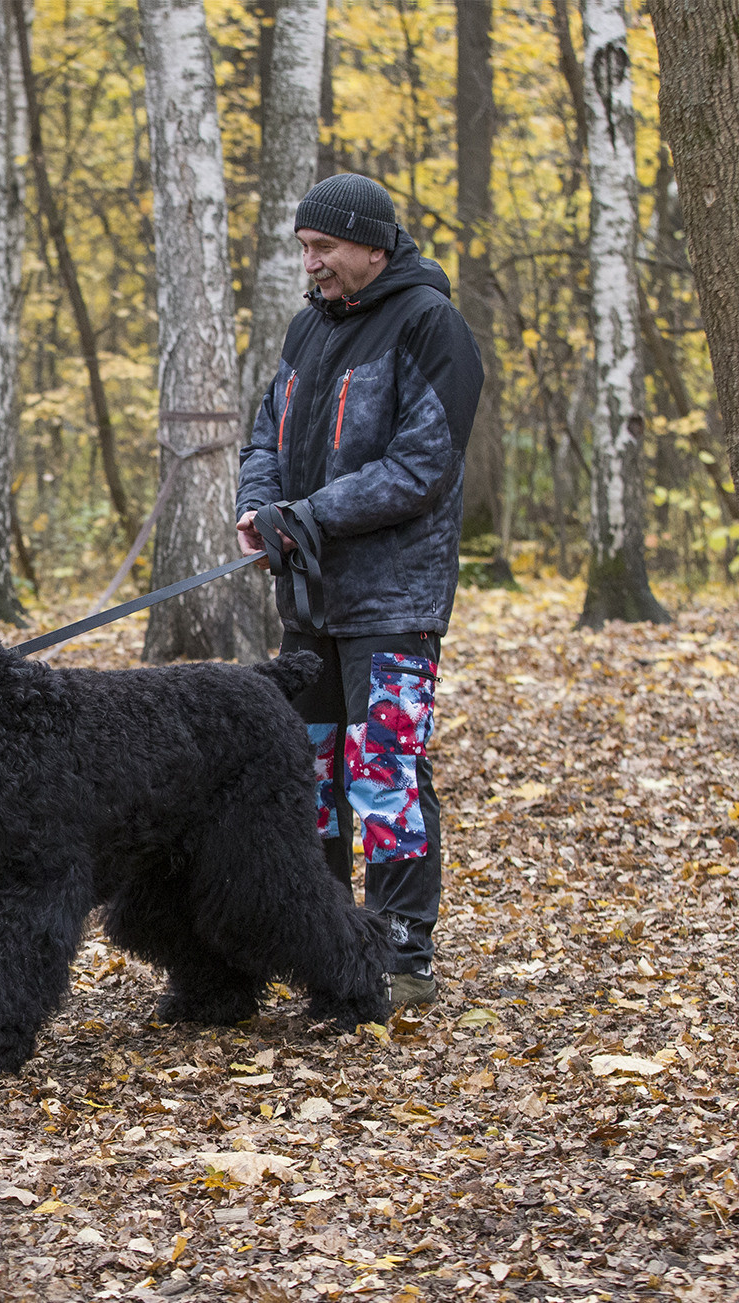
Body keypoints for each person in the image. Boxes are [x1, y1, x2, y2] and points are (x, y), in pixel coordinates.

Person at [235, 174, 484, 1009]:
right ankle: (327, 943)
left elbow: (421, 467)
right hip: (308, 602)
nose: (312, 265)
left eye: (324, 249)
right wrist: (260, 509)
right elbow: (265, 432)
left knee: (385, 769)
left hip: (394, 603)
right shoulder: (307, 328)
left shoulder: (430, 326)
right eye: (305, 249)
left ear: (373, 246)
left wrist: (306, 516)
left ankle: (402, 947)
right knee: (309, 775)